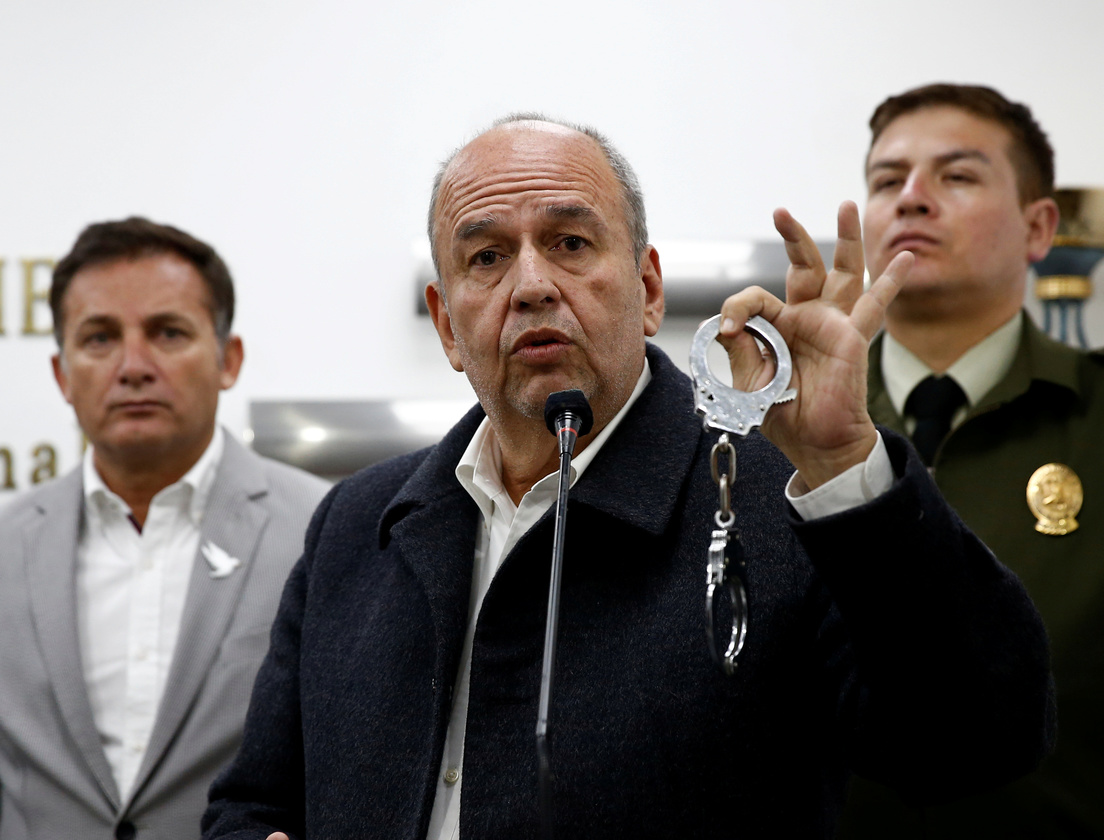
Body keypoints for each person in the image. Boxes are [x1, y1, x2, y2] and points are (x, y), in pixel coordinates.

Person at [202, 116, 1053, 840]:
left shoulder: (778, 501)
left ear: (648, 290)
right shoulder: (360, 520)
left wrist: (842, 467)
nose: (532, 286)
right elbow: (253, 802)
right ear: (447, 325)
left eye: (570, 244)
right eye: (487, 257)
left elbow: (975, 745)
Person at [833, 83, 1104, 840]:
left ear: (1039, 227)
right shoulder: (782, 435)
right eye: (887, 180)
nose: (911, 198)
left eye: (956, 175)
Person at [0, 218, 329, 840]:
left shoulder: (325, 530)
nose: (133, 366)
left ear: (229, 359)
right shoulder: (7, 546)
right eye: (99, 338)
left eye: (167, 333)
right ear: (62, 374)